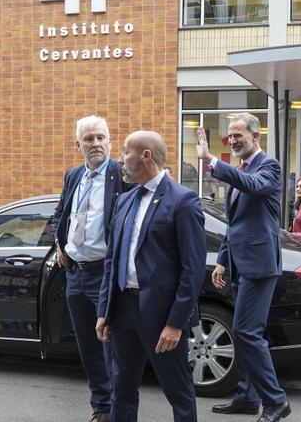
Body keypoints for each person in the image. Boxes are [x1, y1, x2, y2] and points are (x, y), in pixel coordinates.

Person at [95, 131, 206, 422]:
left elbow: (192, 269)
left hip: (161, 315)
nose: (120, 158)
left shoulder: (183, 200)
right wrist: (104, 311)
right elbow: (112, 260)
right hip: (123, 310)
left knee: (177, 390)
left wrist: (175, 323)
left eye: (125, 151)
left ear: (145, 156)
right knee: (121, 388)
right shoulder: (125, 200)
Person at [196, 113, 291, 422]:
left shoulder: (269, 167)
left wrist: (212, 161)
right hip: (239, 264)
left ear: (256, 136)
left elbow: (252, 185)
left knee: (247, 332)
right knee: (247, 332)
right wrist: (223, 260)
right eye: (230, 136)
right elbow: (234, 224)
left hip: (260, 266)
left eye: (239, 135)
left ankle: (276, 401)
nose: (233, 140)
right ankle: (247, 398)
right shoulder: (241, 170)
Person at [50, 115, 132, 422]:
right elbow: (60, 214)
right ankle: (102, 409)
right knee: (88, 347)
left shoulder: (121, 173)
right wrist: (59, 244)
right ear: (78, 145)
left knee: (112, 346)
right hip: (75, 274)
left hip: (105, 275)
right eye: (89, 139)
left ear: (110, 141)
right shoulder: (73, 176)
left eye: (101, 138)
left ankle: (119, 409)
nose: (95, 144)